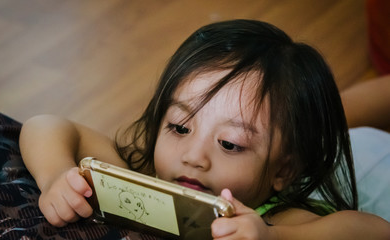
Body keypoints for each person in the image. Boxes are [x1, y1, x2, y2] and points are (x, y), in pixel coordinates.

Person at [19, 19, 390, 239]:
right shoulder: (145, 175)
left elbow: (373, 230)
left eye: (229, 144)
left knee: (339, 121)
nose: (194, 156)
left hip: (373, 159)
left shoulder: (273, 217)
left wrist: (274, 237)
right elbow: (47, 125)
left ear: (283, 171)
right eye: (180, 127)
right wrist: (55, 176)